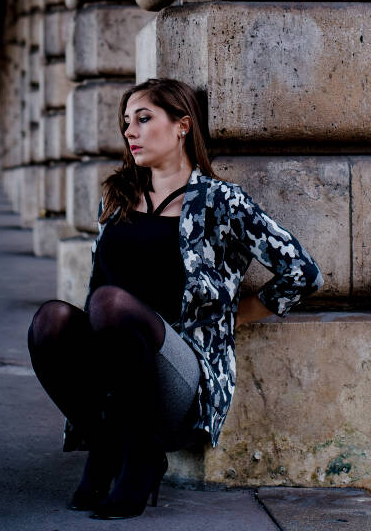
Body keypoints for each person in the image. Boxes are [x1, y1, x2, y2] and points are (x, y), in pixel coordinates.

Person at [27, 78, 323, 520]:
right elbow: (94, 285)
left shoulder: (220, 202)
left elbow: (303, 271)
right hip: (116, 364)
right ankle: (106, 442)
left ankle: (144, 454)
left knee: (110, 303)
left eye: (144, 119)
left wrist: (237, 315)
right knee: (51, 320)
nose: (131, 132)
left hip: (179, 372)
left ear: (183, 125)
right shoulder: (119, 196)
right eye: (126, 123)